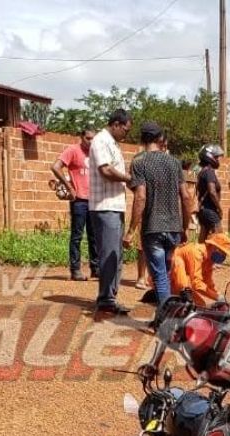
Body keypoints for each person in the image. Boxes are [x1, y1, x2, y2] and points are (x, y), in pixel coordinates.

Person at [124, 122, 191, 321]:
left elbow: (140, 197)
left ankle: (167, 319)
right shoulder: (174, 163)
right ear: (160, 138)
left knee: (160, 277)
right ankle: (165, 313)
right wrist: (185, 227)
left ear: (142, 139)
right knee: (166, 274)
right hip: (173, 228)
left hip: (153, 229)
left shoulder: (139, 162)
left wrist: (131, 231)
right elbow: (186, 197)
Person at [89, 108, 133, 315]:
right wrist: (129, 179)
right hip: (105, 206)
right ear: (116, 124)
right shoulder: (101, 141)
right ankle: (106, 299)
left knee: (116, 254)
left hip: (115, 206)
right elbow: (105, 170)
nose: (126, 134)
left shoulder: (113, 143)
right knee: (109, 254)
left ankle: (110, 297)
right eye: (125, 129)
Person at [51, 126, 98, 281]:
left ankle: (96, 268)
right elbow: (55, 167)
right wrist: (69, 187)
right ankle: (75, 270)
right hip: (79, 200)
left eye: (93, 139)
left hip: (94, 200)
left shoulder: (96, 153)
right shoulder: (73, 150)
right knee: (77, 235)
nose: (90, 141)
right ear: (81, 137)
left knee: (94, 236)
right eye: (88, 138)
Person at [170, 232, 230, 306]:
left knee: (201, 305)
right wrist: (217, 297)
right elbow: (196, 283)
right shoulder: (196, 252)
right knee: (178, 262)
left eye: (224, 255)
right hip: (169, 277)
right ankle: (183, 294)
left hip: (177, 282)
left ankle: (183, 295)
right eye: (222, 253)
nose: (223, 256)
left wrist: (218, 295)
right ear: (213, 246)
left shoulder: (209, 260)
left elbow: (208, 283)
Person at [196, 144, 225, 242]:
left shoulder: (203, 171)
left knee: (203, 241)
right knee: (220, 241)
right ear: (210, 157)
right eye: (216, 157)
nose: (218, 160)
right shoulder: (209, 172)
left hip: (203, 211)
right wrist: (220, 209)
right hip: (210, 211)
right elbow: (212, 192)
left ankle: (199, 253)